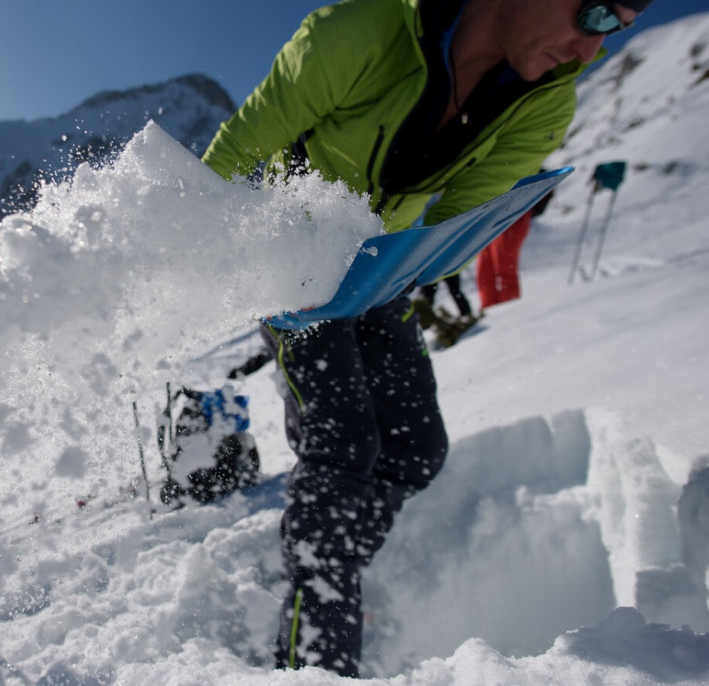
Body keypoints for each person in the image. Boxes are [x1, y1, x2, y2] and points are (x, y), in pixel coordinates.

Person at [200, 0, 651, 676]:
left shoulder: (542, 104)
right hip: (294, 272)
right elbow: (229, 161)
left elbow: (456, 222)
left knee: (414, 448)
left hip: (383, 276)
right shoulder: (360, 33)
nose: (591, 49)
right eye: (594, 14)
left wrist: (423, 260)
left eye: (618, 28)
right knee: (342, 450)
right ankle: (316, 641)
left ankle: (335, 564)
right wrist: (230, 266)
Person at [477, 186, 553, 308]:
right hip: (492, 217)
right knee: (485, 269)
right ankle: (488, 307)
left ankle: (509, 309)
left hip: (513, 218)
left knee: (504, 269)